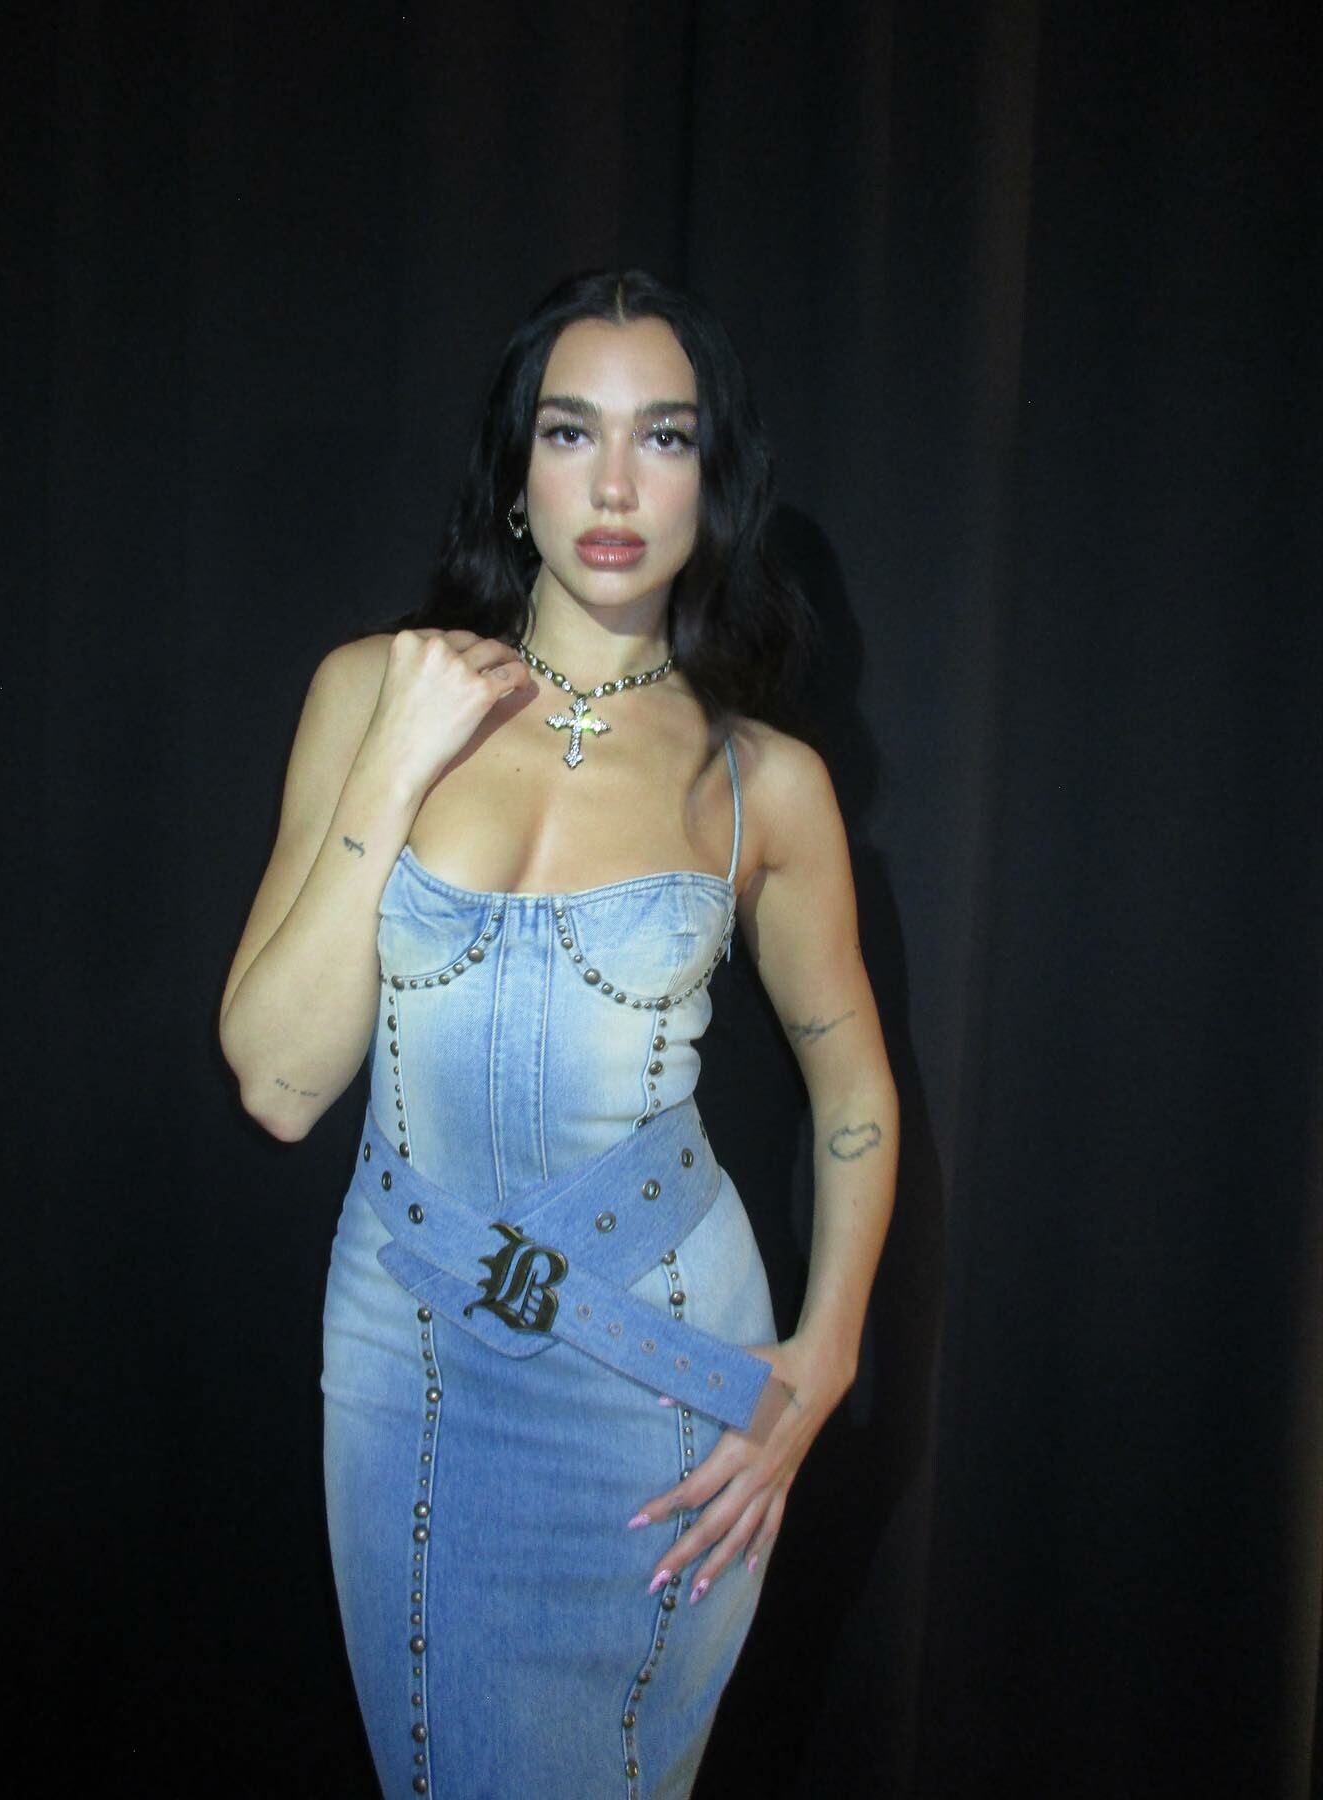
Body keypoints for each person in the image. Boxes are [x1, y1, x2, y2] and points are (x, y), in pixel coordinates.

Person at [219, 268, 898, 1799]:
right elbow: (277, 1081)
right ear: (514, 472)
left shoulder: (763, 781)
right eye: (570, 431)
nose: (614, 485)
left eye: (665, 437)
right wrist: (393, 766)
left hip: (667, 1370)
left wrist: (825, 1357)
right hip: (406, 1344)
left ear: (713, 482)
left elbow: (853, 1076)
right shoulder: (370, 692)